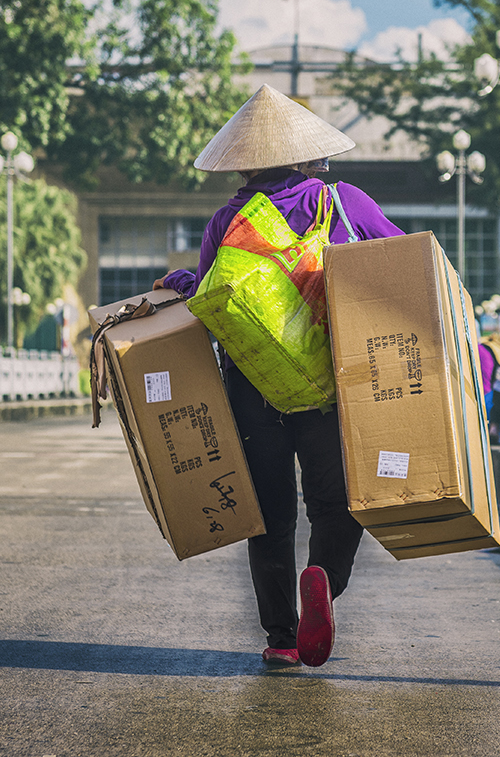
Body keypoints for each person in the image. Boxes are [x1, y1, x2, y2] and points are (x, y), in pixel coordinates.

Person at [157, 84, 404, 669]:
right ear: (304, 152)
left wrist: (183, 285)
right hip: (333, 377)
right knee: (335, 502)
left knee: (267, 513)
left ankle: (281, 638)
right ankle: (323, 575)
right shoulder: (342, 203)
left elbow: (214, 306)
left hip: (252, 386)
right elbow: (400, 264)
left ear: (244, 161)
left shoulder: (228, 218)